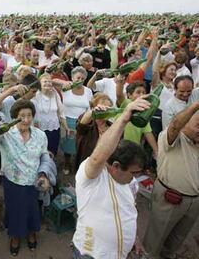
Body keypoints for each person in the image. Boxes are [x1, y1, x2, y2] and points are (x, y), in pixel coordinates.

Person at [72, 97, 150, 259]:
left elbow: (127, 211)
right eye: (133, 172)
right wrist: (123, 118)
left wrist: (133, 238)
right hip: (90, 254)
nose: (136, 178)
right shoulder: (92, 178)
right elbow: (97, 158)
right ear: (115, 166)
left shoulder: (131, 183)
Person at [0, 99, 55, 256]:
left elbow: (44, 155)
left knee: (33, 209)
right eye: (22, 116)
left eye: (29, 115)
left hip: (34, 181)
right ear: (14, 117)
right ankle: (15, 236)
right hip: (13, 181)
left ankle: (32, 232)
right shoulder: (6, 133)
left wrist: (44, 174)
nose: (26, 119)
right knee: (15, 210)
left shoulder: (40, 135)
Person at [143, 101, 199, 259]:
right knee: (156, 237)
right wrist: (196, 105)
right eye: (198, 125)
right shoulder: (171, 137)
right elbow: (175, 125)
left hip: (194, 202)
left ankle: (168, 255)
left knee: (178, 238)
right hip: (170, 198)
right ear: (185, 122)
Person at [60, 66, 93, 174]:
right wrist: (64, 82)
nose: (80, 80)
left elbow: (90, 106)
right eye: (78, 78)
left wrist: (86, 119)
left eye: (83, 78)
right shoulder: (66, 88)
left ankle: (78, 164)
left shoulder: (88, 91)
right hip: (67, 119)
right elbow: (51, 80)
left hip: (82, 121)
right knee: (68, 144)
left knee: (80, 144)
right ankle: (67, 162)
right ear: (72, 77)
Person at [31, 73, 69, 156]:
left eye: (49, 81)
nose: (48, 83)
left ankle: (50, 167)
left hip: (54, 129)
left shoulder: (55, 94)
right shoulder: (35, 95)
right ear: (39, 83)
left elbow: (61, 112)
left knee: (52, 152)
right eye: (45, 81)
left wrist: (66, 127)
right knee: (40, 153)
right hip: (40, 129)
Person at [75, 93, 113, 173]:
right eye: (102, 107)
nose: (105, 110)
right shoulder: (88, 123)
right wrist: (94, 111)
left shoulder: (112, 127)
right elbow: (81, 126)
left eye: (108, 108)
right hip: (86, 166)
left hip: (105, 167)